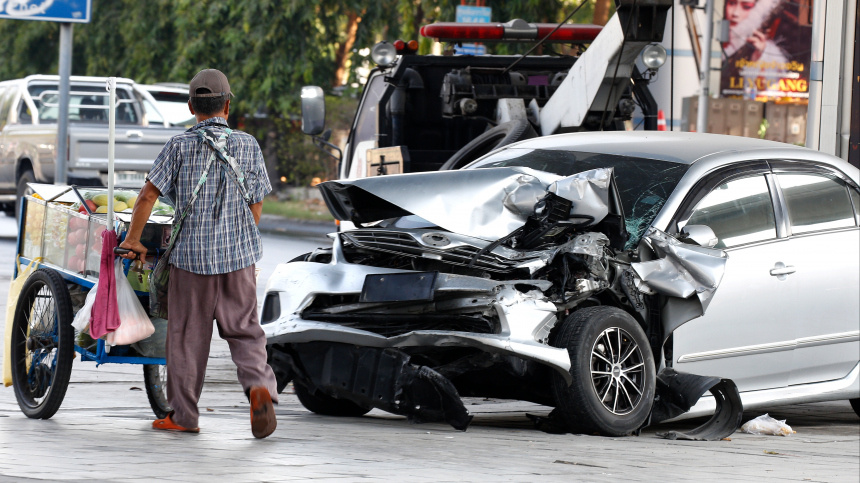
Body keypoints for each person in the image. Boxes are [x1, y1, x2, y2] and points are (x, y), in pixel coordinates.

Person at [119, 69, 278, 438]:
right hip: (238, 259)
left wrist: (133, 240)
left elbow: (146, 196)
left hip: (191, 259)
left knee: (189, 336)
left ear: (191, 107)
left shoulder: (178, 145)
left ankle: (184, 416)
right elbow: (256, 206)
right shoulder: (248, 145)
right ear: (227, 105)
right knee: (245, 331)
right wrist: (242, 243)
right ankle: (259, 390)